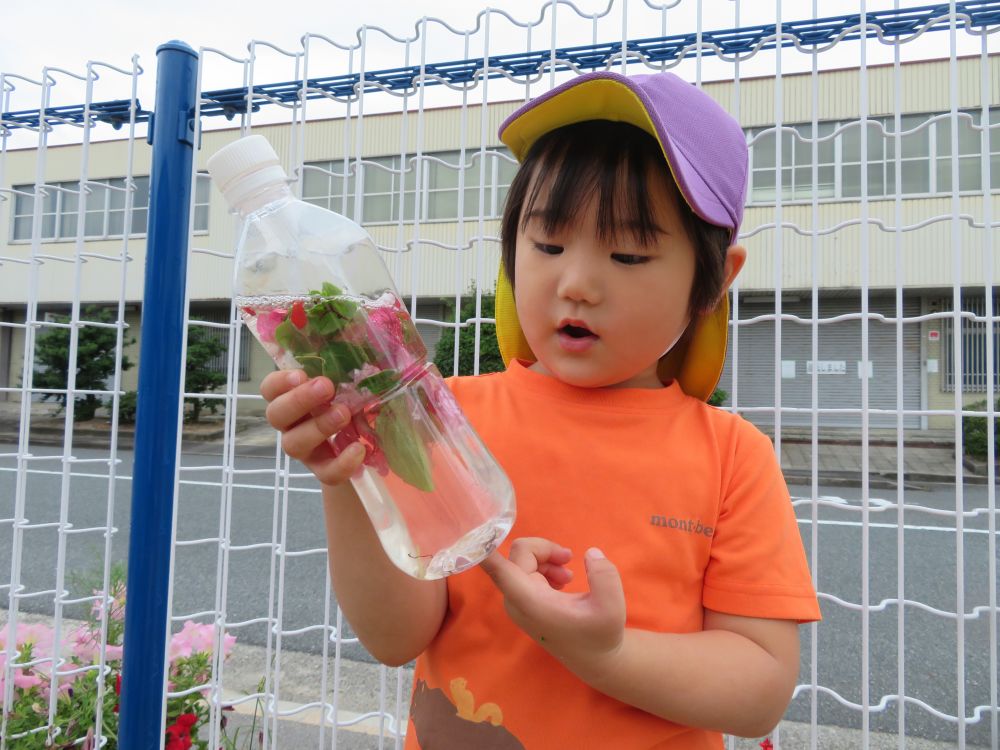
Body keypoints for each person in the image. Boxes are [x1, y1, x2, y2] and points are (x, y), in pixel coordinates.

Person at [260, 70, 821, 749]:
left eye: (628, 253)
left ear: (715, 279)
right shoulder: (443, 415)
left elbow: (759, 687)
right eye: (548, 245)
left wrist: (602, 652)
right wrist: (350, 468)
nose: (577, 283)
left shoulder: (732, 456)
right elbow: (395, 636)